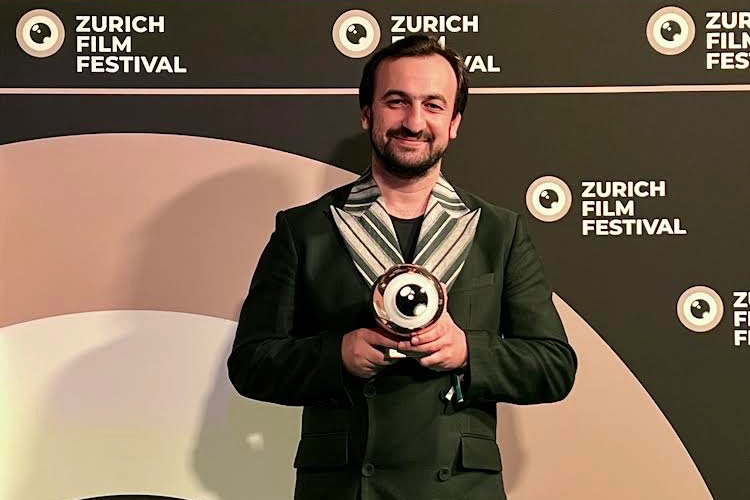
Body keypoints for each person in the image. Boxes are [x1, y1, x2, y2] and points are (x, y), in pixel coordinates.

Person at [227, 35, 577, 500]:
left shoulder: (498, 232)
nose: (414, 122)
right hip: (345, 489)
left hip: (460, 490)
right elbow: (251, 363)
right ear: (367, 113)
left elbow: (554, 366)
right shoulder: (305, 230)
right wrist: (337, 355)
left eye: (433, 105)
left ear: (454, 123)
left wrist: (466, 352)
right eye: (397, 102)